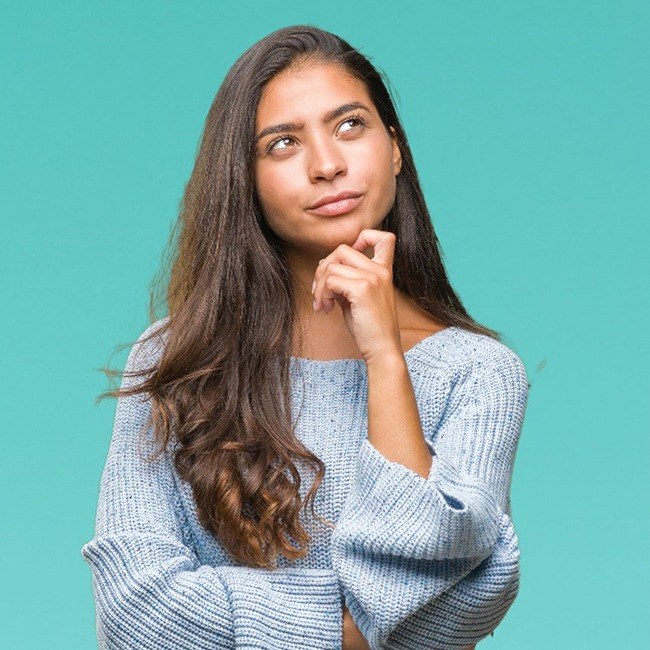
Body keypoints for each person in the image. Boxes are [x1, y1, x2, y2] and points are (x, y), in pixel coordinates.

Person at [81, 24, 529, 649]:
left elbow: (448, 604)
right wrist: (352, 627)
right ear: (247, 180)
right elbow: (138, 613)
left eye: (350, 125)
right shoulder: (173, 357)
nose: (327, 164)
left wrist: (384, 357)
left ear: (395, 148)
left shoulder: (479, 372)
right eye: (284, 144)